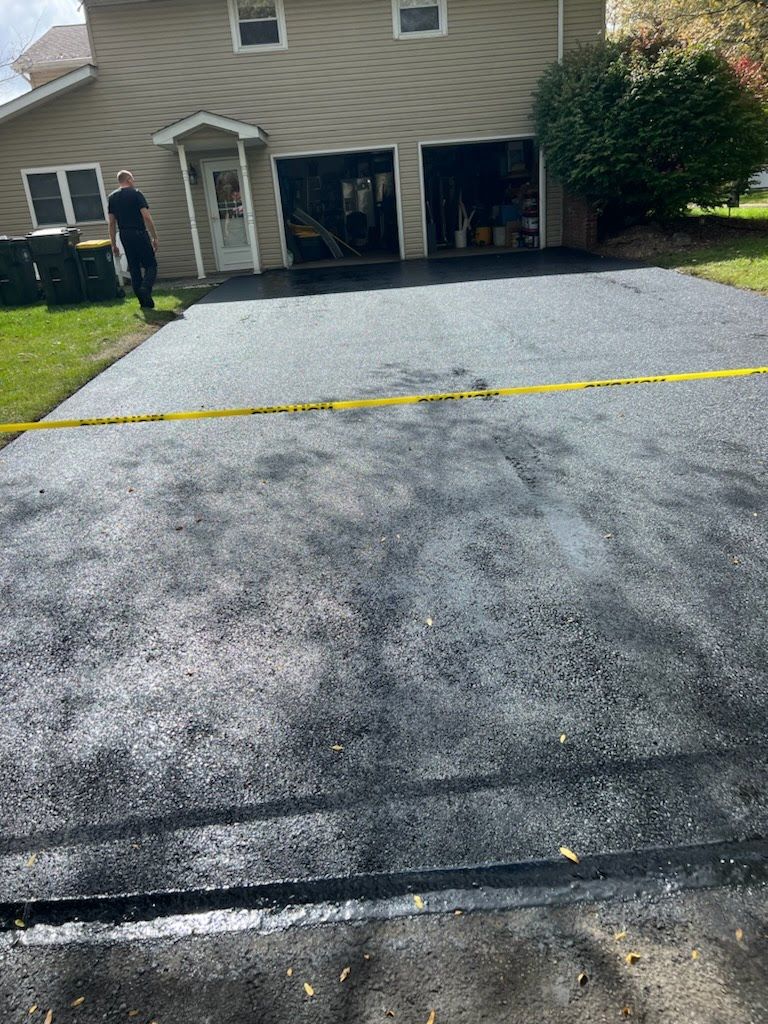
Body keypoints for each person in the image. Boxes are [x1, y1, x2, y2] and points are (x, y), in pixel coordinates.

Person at [107, 170, 159, 308]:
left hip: (124, 235)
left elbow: (111, 223)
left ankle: (144, 302)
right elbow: (146, 217)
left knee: (134, 267)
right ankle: (145, 288)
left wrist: (113, 244)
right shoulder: (136, 194)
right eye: (133, 179)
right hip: (139, 233)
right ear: (129, 180)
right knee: (151, 265)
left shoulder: (112, 198)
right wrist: (154, 237)